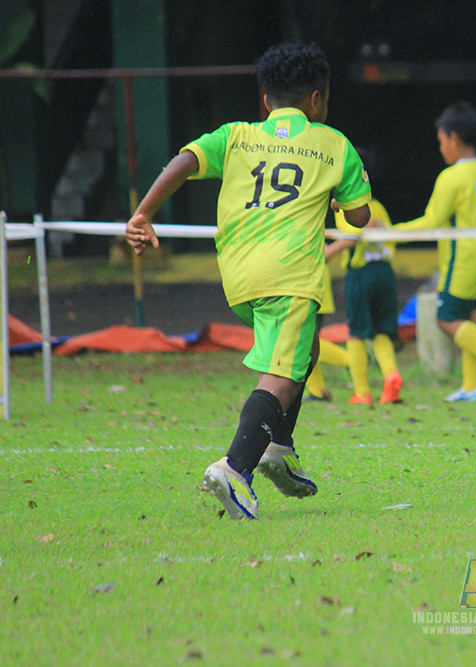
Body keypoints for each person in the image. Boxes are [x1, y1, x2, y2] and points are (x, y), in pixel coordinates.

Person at [124, 42, 372, 520]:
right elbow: (360, 217)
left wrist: (142, 214)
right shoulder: (333, 143)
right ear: (317, 101)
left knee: (308, 348)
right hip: (291, 273)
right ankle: (236, 468)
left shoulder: (236, 135)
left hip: (238, 275)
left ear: (265, 99)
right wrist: (339, 198)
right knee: (280, 377)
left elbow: (185, 161)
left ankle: (279, 447)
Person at [391, 101, 476, 402]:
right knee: (472, 321)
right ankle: (471, 387)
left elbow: (431, 222)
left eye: (441, 141)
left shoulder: (451, 177)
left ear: (453, 138)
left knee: (448, 318)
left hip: (466, 259)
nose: (441, 149)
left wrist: (389, 233)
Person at [325, 197, 403, 405]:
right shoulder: (377, 206)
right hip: (385, 271)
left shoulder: (346, 207)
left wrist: (329, 252)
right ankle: (391, 375)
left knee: (356, 332)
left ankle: (361, 392)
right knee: (381, 330)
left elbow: (353, 235)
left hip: (361, 273)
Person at [302, 263, 351, 402]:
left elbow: (325, 249)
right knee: (305, 345)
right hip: (306, 282)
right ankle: (317, 392)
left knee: (305, 341)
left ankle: (352, 360)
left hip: (308, 284)